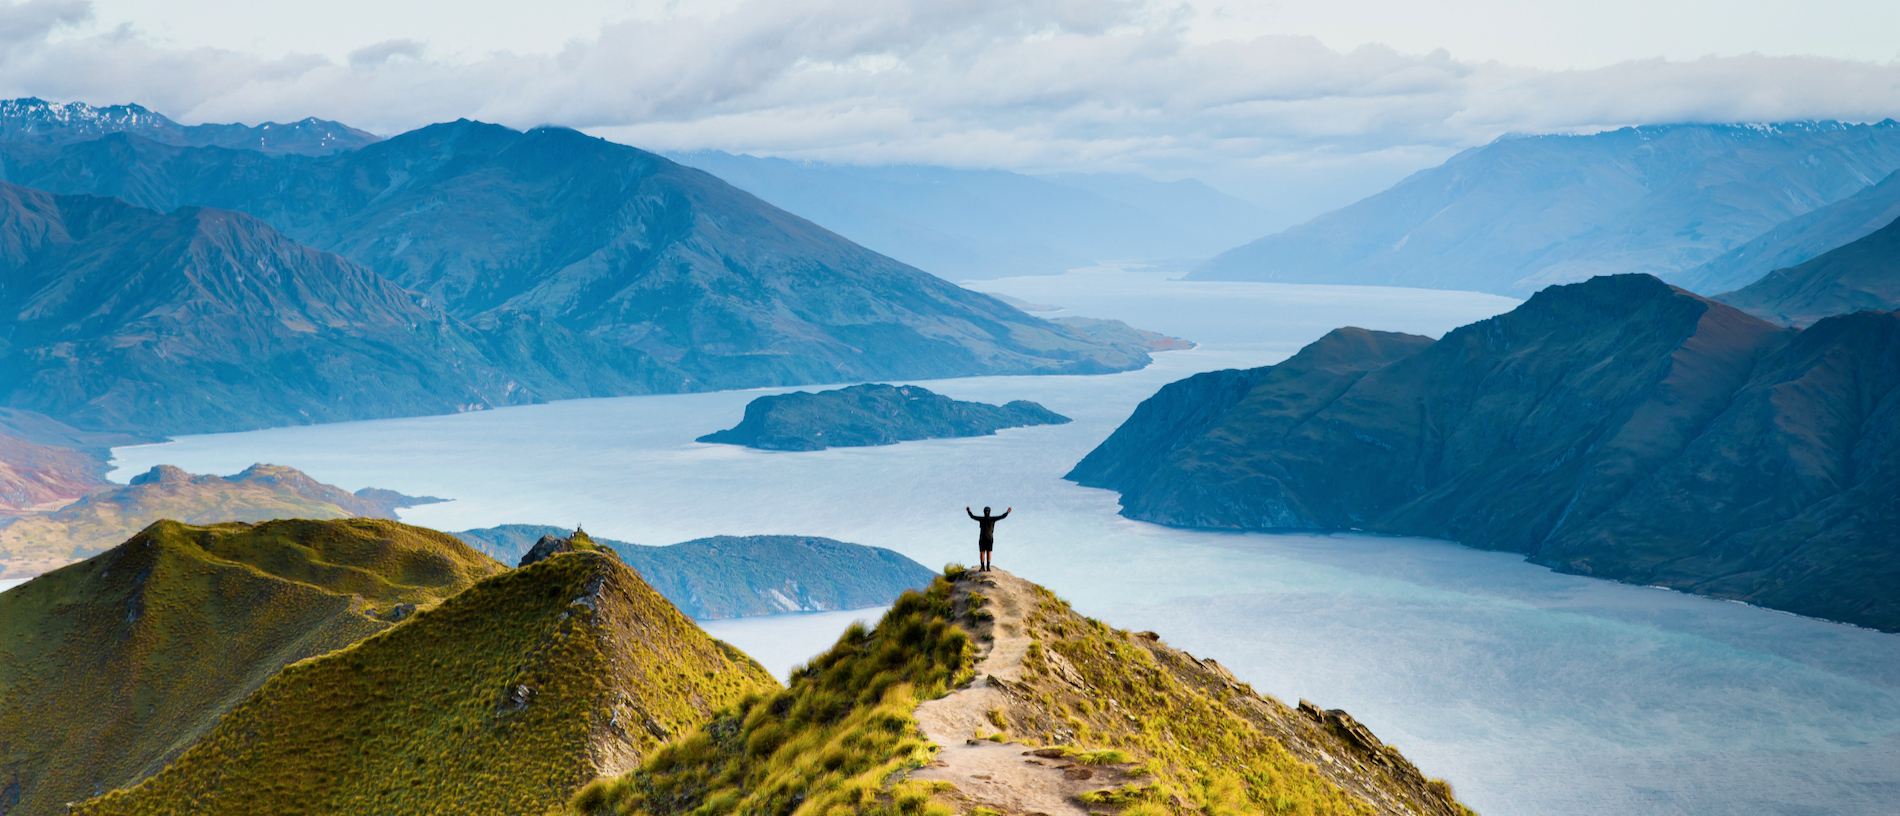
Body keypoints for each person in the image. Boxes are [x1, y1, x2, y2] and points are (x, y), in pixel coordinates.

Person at [966, 506, 1010, 571]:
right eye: (986, 511)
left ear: (988, 512)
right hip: (984, 538)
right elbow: (973, 517)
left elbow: (1001, 517)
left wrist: (1007, 513)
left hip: (988, 538)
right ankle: (983, 567)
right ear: (984, 512)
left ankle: (988, 567)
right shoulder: (983, 519)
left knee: (988, 552)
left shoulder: (991, 519)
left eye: (987, 511)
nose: (986, 512)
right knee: (982, 552)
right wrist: (969, 511)